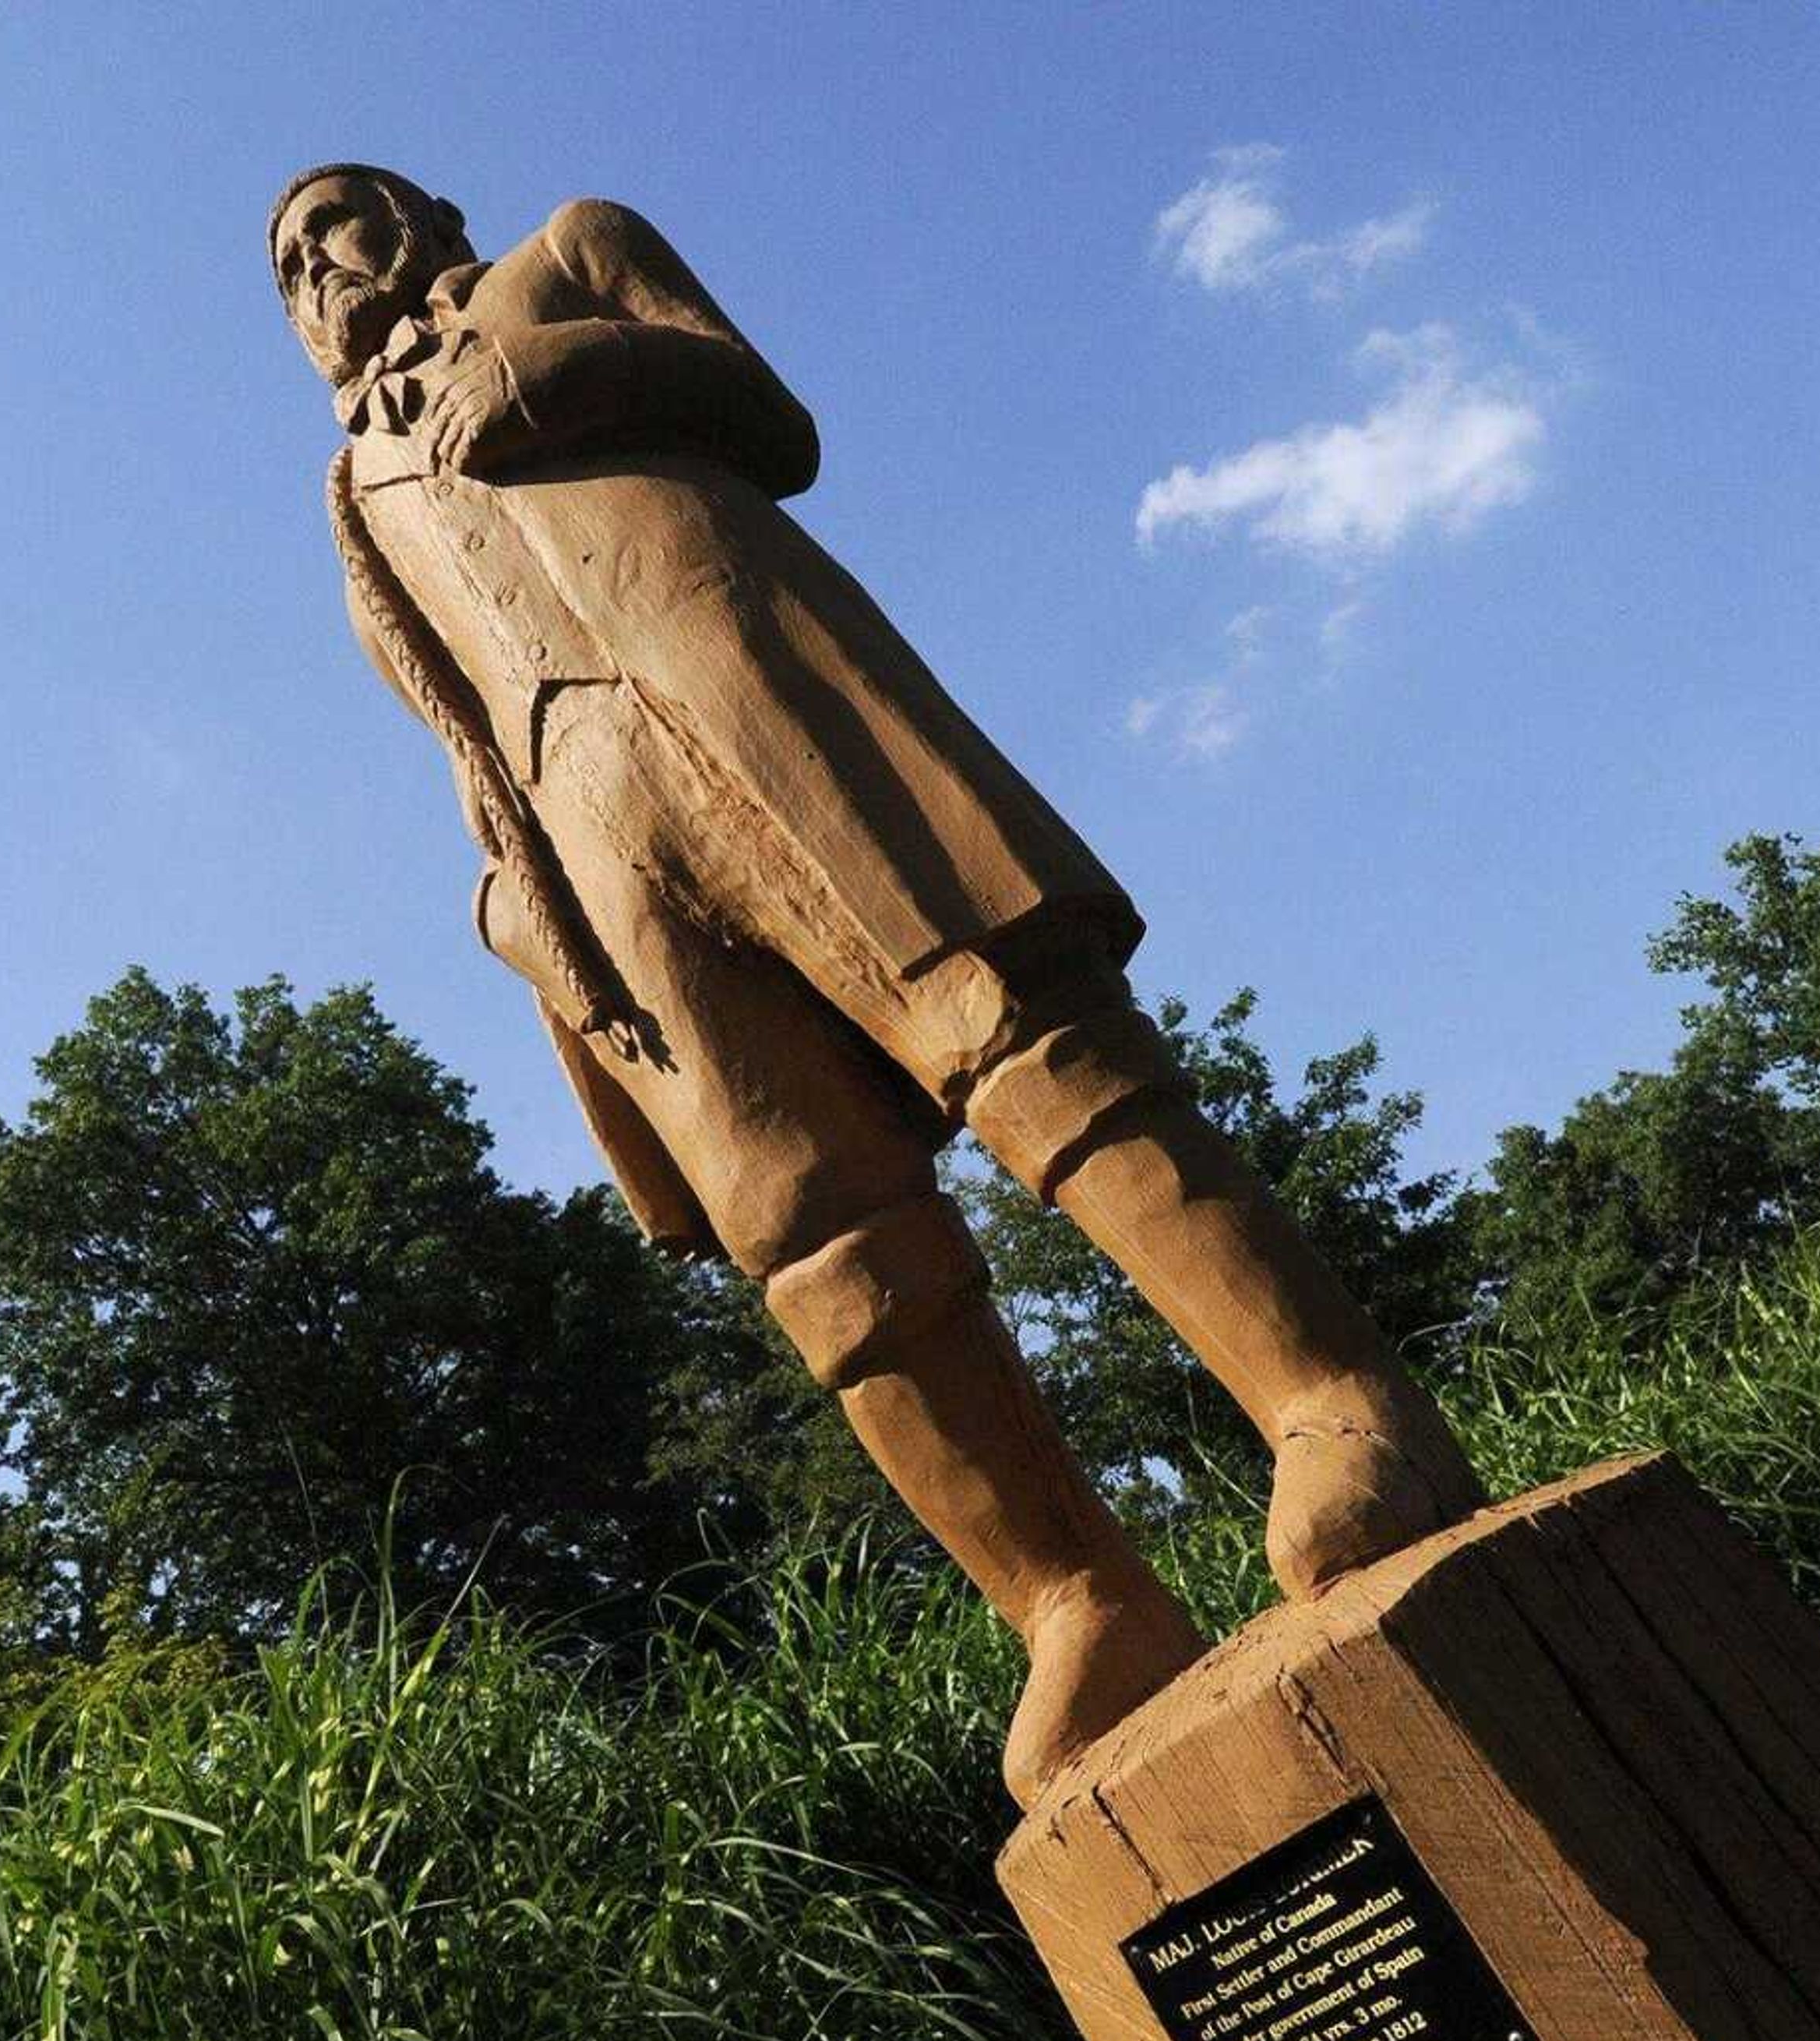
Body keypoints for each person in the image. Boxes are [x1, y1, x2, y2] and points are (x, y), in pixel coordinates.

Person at [269, 163, 1481, 1804]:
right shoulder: (350, 491)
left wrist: (551, 372)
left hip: (745, 680)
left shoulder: (568, 254)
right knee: (807, 1220)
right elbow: (454, 727)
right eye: (286, 267)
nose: (314, 267)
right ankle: (1075, 1601)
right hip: (588, 820)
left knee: (1007, 1018)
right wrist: (516, 896)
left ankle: (1333, 1404)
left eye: (329, 223)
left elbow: (770, 415)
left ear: (412, 214)